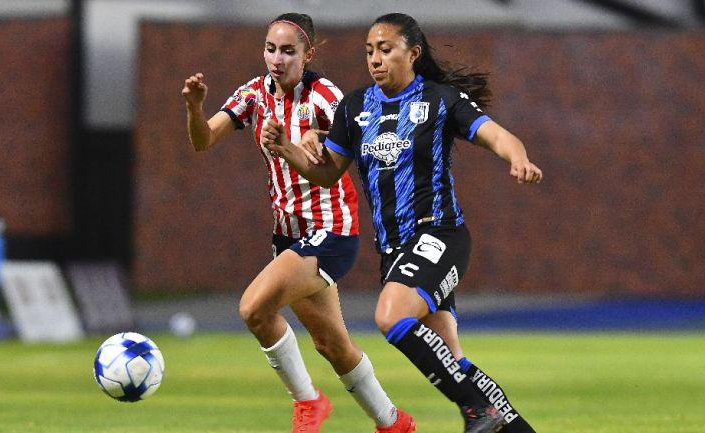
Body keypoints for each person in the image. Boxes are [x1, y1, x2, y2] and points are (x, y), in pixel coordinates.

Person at [262, 12, 542, 433]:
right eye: (369, 51)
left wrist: (517, 158)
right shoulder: (355, 107)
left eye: (386, 50)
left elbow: (497, 135)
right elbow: (327, 173)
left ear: (412, 53)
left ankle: (478, 412)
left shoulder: (439, 99)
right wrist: (286, 149)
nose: (375, 59)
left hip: (439, 235)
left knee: (391, 317)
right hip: (394, 251)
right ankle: (511, 426)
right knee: (453, 361)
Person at [181, 13, 415, 433]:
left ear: (308, 54)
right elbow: (203, 141)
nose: (277, 58)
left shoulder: (325, 96)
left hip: (331, 231)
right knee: (332, 344)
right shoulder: (253, 94)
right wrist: (194, 107)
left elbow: (369, 144)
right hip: (288, 237)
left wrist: (323, 139)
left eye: (288, 50)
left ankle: (309, 402)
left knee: (254, 308)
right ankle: (394, 424)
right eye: (271, 48)